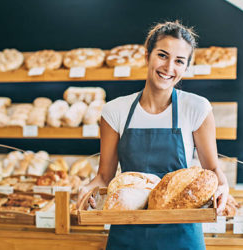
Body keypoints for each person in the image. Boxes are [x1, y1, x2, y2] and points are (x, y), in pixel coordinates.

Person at [78, 20, 229, 250]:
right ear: (146, 55)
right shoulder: (114, 111)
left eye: (179, 61)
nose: (169, 67)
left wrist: (223, 187)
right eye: (162, 55)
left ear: (186, 67)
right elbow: (105, 176)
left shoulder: (197, 108)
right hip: (128, 232)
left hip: (182, 233)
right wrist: (88, 188)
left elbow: (213, 170)